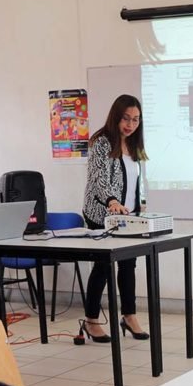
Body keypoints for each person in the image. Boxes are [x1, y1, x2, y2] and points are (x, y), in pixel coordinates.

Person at [80, 94, 149, 343]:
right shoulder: (101, 143)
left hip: (127, 216)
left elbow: (135, 181)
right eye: (126, 119)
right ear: (116, 117)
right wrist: (112, 201)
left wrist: (139, 206)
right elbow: (99, 178)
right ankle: (91, 320)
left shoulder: (134, 145)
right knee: (102, 268)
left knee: (128, 265)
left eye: (136, 120)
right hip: (102, 214)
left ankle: (128, 316)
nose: (130, 125)